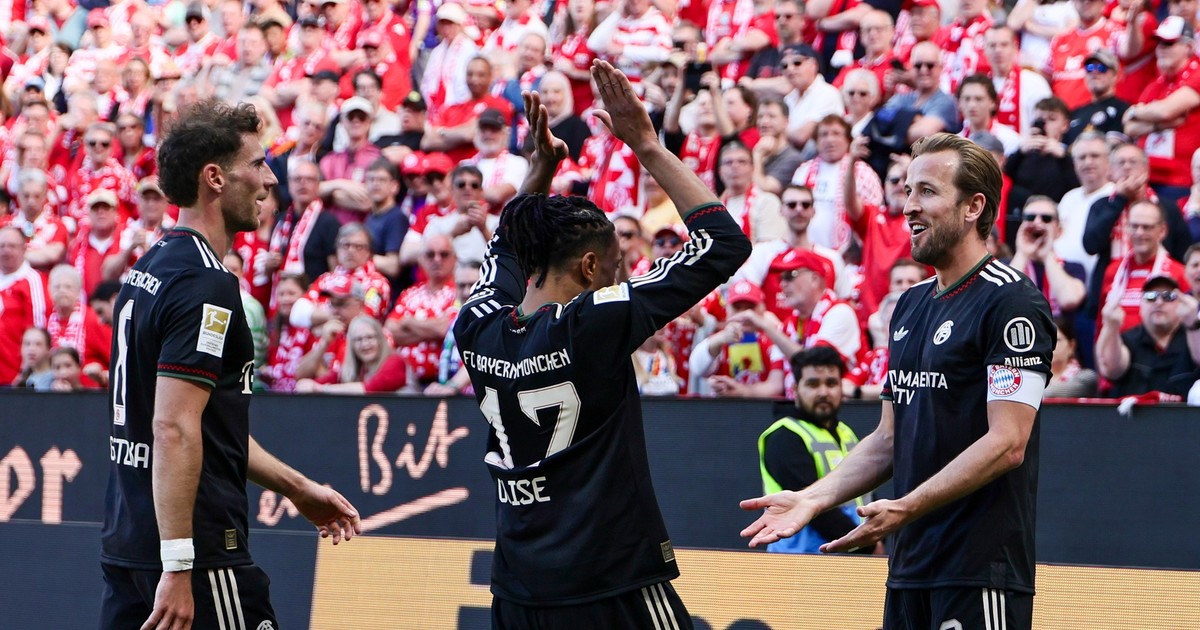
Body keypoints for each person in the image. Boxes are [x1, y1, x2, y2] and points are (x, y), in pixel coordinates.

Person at [455, 63, 751, 627]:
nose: (620, 278)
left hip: (518, 593)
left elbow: (506, 249)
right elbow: (723, 243)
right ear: (590, 266)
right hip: (612, 584)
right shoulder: (595, 320)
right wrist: (647, 145)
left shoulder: (476, 324)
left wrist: (538, 171)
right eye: (615, 267)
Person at [741, 133, 1055, 630]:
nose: (909, 206)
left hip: (979, 572)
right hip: (909, 569)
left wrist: (906, 506)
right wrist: (813, 498)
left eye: (927, 191)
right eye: (908, 191)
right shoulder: (909, 305)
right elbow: (888, 438)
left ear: (974, 207)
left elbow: (1008, 442)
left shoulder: (1012, 302)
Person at [100, 100, 360, 630]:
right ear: (215, 178)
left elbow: (207, 426)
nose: (269, 180)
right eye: (258, 164)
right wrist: (179, 563)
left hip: (131, 545)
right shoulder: (206, 284)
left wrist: (295, 487)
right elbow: (173, 427)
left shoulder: (149, 267)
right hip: (195, 556)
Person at [758, 346, 877, 554]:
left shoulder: (846, 433)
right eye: (813, 384)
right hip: (798, 561)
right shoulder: (784, 436)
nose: (823, 392)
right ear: (795, 389)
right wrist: (867, 544)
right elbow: (815, 510)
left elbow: (867, 495)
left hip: (847, 556)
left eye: (831, 383)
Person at [1097, 274, 1199, 397]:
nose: (1159, 302)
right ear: (1141, 306)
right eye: (1150, 296)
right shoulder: (1129, 338)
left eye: (1168, 296)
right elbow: (1112, 370)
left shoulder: (1192, 336)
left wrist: (1193, 323)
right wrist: (1111, 326)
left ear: (1180, 303)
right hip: (1135, 409)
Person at [1043, 316, 1098, 398]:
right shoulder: (1033, 377)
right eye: (1045, 340)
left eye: (1057, 340)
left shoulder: (1087, 378)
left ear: (1071, 346)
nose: (1050, 346)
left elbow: (1051, 393)